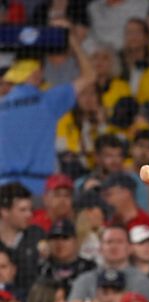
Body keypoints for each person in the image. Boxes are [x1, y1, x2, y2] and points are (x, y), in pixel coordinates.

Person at [0, 26, 94, 195]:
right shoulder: (49, 100)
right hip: (37, 188)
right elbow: (89, 75)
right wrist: (72, 40)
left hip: (3, 187)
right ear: (37, 73)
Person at [67, 225, 149, 302]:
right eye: (109, 242)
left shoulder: (143, 281)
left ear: (130, 248)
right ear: (100, 248)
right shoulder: (85, 279)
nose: (114, 246)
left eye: (119, 242)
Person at [0, 183, 46, 293]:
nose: (29, 214)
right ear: (4, 212)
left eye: (30, 209)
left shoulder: (38, 236)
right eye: (23, 210)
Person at [39, 219, 96, 292]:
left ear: (75, 241)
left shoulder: (89, 268)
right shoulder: (41, 268)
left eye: (65, 238)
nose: (59, 243)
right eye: (55, 238)